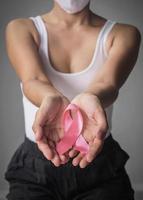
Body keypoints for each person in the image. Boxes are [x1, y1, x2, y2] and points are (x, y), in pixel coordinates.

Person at [4, 0, 141, 199]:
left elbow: (108, 83)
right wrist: (51, 97)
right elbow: (32, 79)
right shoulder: (21, 28)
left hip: (99, 164)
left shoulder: (124, 34)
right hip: (34, 168)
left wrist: (91, 96)